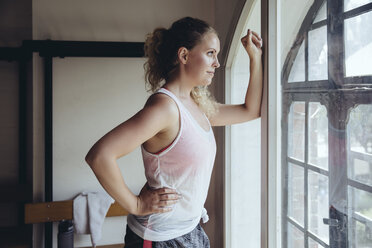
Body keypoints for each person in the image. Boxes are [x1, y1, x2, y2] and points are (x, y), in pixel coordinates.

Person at [85, 16, 262, 248]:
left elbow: (251, 111)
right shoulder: (165, 108)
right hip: (160, 237)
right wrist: (136, 205)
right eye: (210, 53)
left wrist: (255, 59)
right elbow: (100, 156)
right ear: (184, 55)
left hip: (190, 230)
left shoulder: (195, 104)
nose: (216, 63)